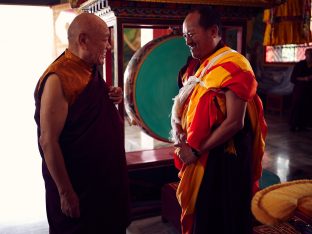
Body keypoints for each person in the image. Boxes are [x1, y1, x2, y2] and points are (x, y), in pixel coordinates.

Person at [170, 7, 267, 234]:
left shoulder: (234, 64)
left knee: (224, 215)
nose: (187, 42)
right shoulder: (202, 64)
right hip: (205, 151)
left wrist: (194, 150)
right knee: (206, 215)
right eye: (184, 36)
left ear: (213, 31)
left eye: (191, 35)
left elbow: (235, 122)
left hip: (225, 156)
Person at [34, 13, 130, 234]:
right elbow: (48, 141)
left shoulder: (88, 69)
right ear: (84, 40)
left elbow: (90, 106)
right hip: (79, 187)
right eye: (105, 39)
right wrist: (65, 192)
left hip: (103, 184)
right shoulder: (59, 78)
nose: (109, 46)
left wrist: (112, 95)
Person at [289, 48, 312, 132]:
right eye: (309, 54)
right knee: (296, 107)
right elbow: (293, 79)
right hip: (299, 90)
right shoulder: (299, 65)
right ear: (305, 55)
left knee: (306, 108)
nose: (310, 56)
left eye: (311, 54)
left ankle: (303, 126)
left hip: (309, 91)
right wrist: (305, 79)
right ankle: (293, 125)